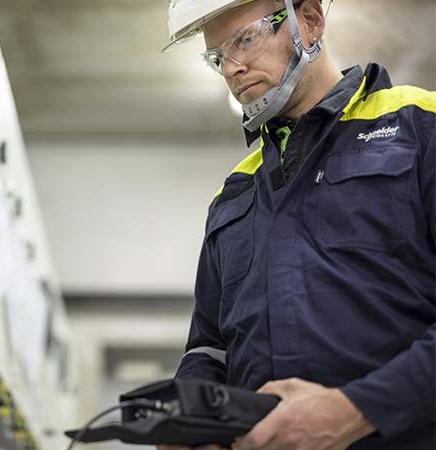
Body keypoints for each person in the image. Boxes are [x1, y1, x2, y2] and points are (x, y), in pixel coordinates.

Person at [157, 0, 435, 449]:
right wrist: (190, 417)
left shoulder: (420, 127)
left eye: (245, 38)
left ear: (309, 20)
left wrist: (357, 410)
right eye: (217, 57)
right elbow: (209, 348)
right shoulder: (235, 192)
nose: (231, 68)